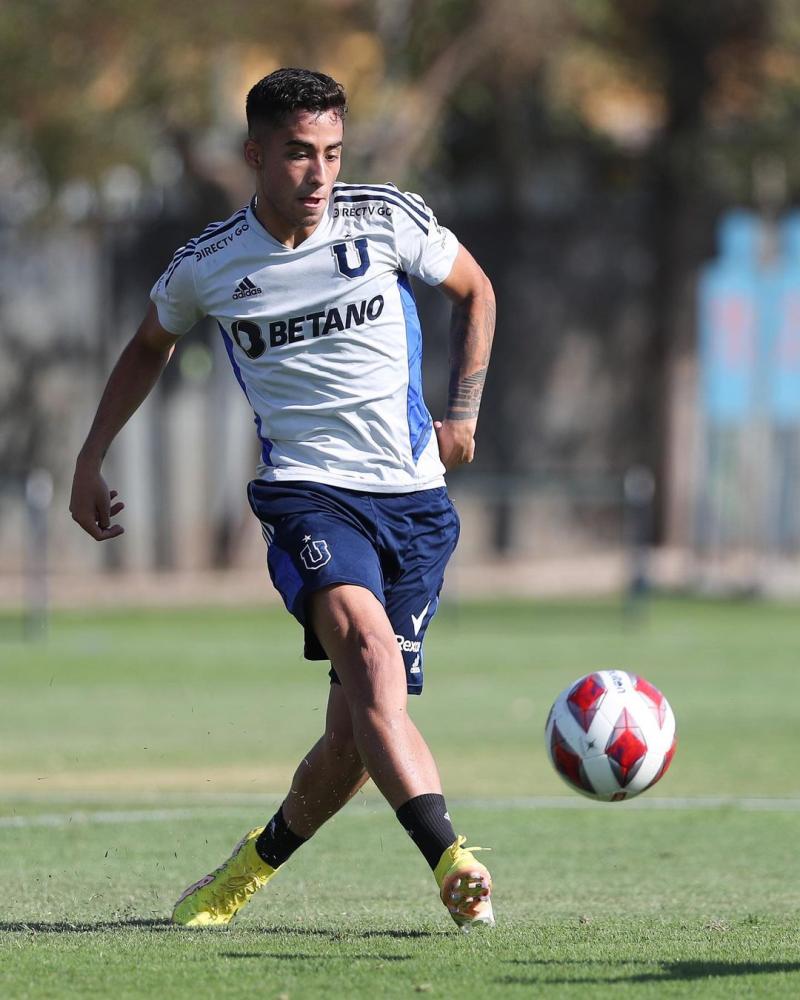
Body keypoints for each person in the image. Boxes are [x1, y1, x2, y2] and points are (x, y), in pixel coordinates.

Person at [70, 67, 496, 931]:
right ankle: (454, 860)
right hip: (307, 497)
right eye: (300, 154)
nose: (319, 175)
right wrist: (91, 455)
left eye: (333, 153)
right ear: (256, 155)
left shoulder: (385, 221)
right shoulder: (212, 264)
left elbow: (477, 292)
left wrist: (462, 415)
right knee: (374, 667)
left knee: (356, 740)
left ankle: (247, 868)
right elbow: (148, 346)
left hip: (415, 507)